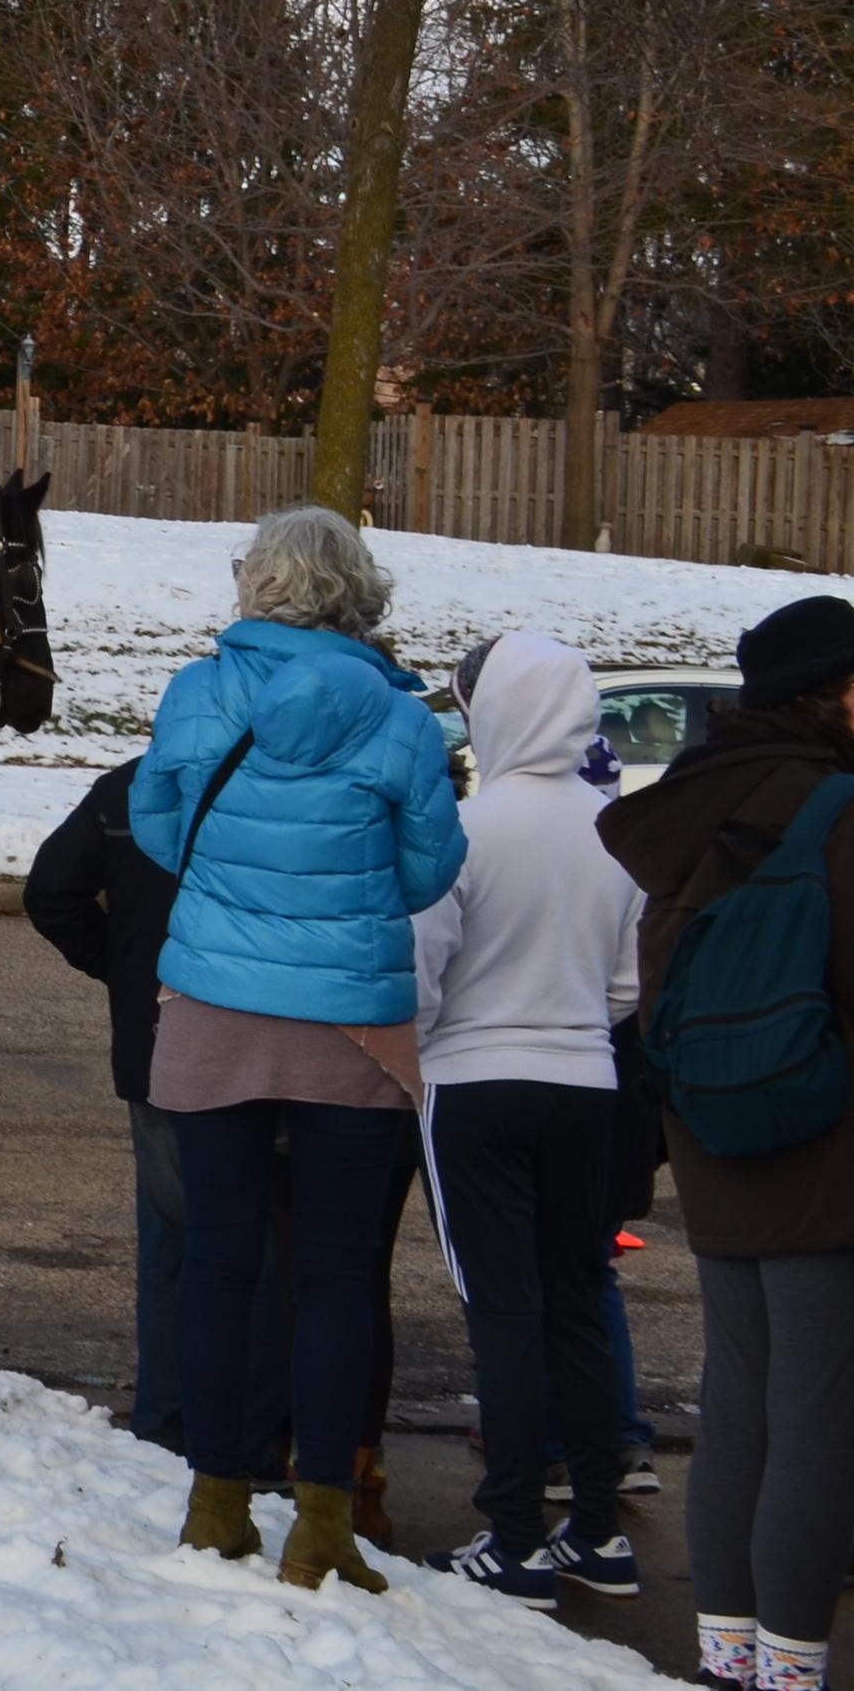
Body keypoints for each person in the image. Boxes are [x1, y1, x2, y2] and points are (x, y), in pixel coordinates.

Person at [131, 504, 465, 1593]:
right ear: (358, 589)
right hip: (349, 1019)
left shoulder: (197, 692)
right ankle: (323, 1520)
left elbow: (157, 828)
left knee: (217, 1262)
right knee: (334, 1276)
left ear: (256, 583)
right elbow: (425, 875)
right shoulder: (402, 718)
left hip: (215, 1004)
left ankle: (214, 1499)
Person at [602, 593, 854, 1691]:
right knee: (819, 1414)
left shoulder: (694, 799)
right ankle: (794, 1674)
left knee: (740, 1397)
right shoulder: (837, 806)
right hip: (826, 1142)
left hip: (714, 1131)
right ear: (830, 694)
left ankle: (731, 1660)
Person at [411, 631, 645, 1602]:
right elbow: (630, 983)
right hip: (587, 1085)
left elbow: (417, 975)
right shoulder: (616, 830)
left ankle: (511, 1536)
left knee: (502, 1309)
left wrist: (443, 1037)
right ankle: (596, 1527)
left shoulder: (464, 826)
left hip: (472, 1082)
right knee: (577, 1298)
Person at [25, 757, 290, 1460]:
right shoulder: (282, 780)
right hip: (270, 1041)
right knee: (264, 1243)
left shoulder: (133, 784)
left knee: (174, 1241)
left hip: (157, 1040)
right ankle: (254, 1436)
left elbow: (51, 891)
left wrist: (125, 968)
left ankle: (167, 1420)